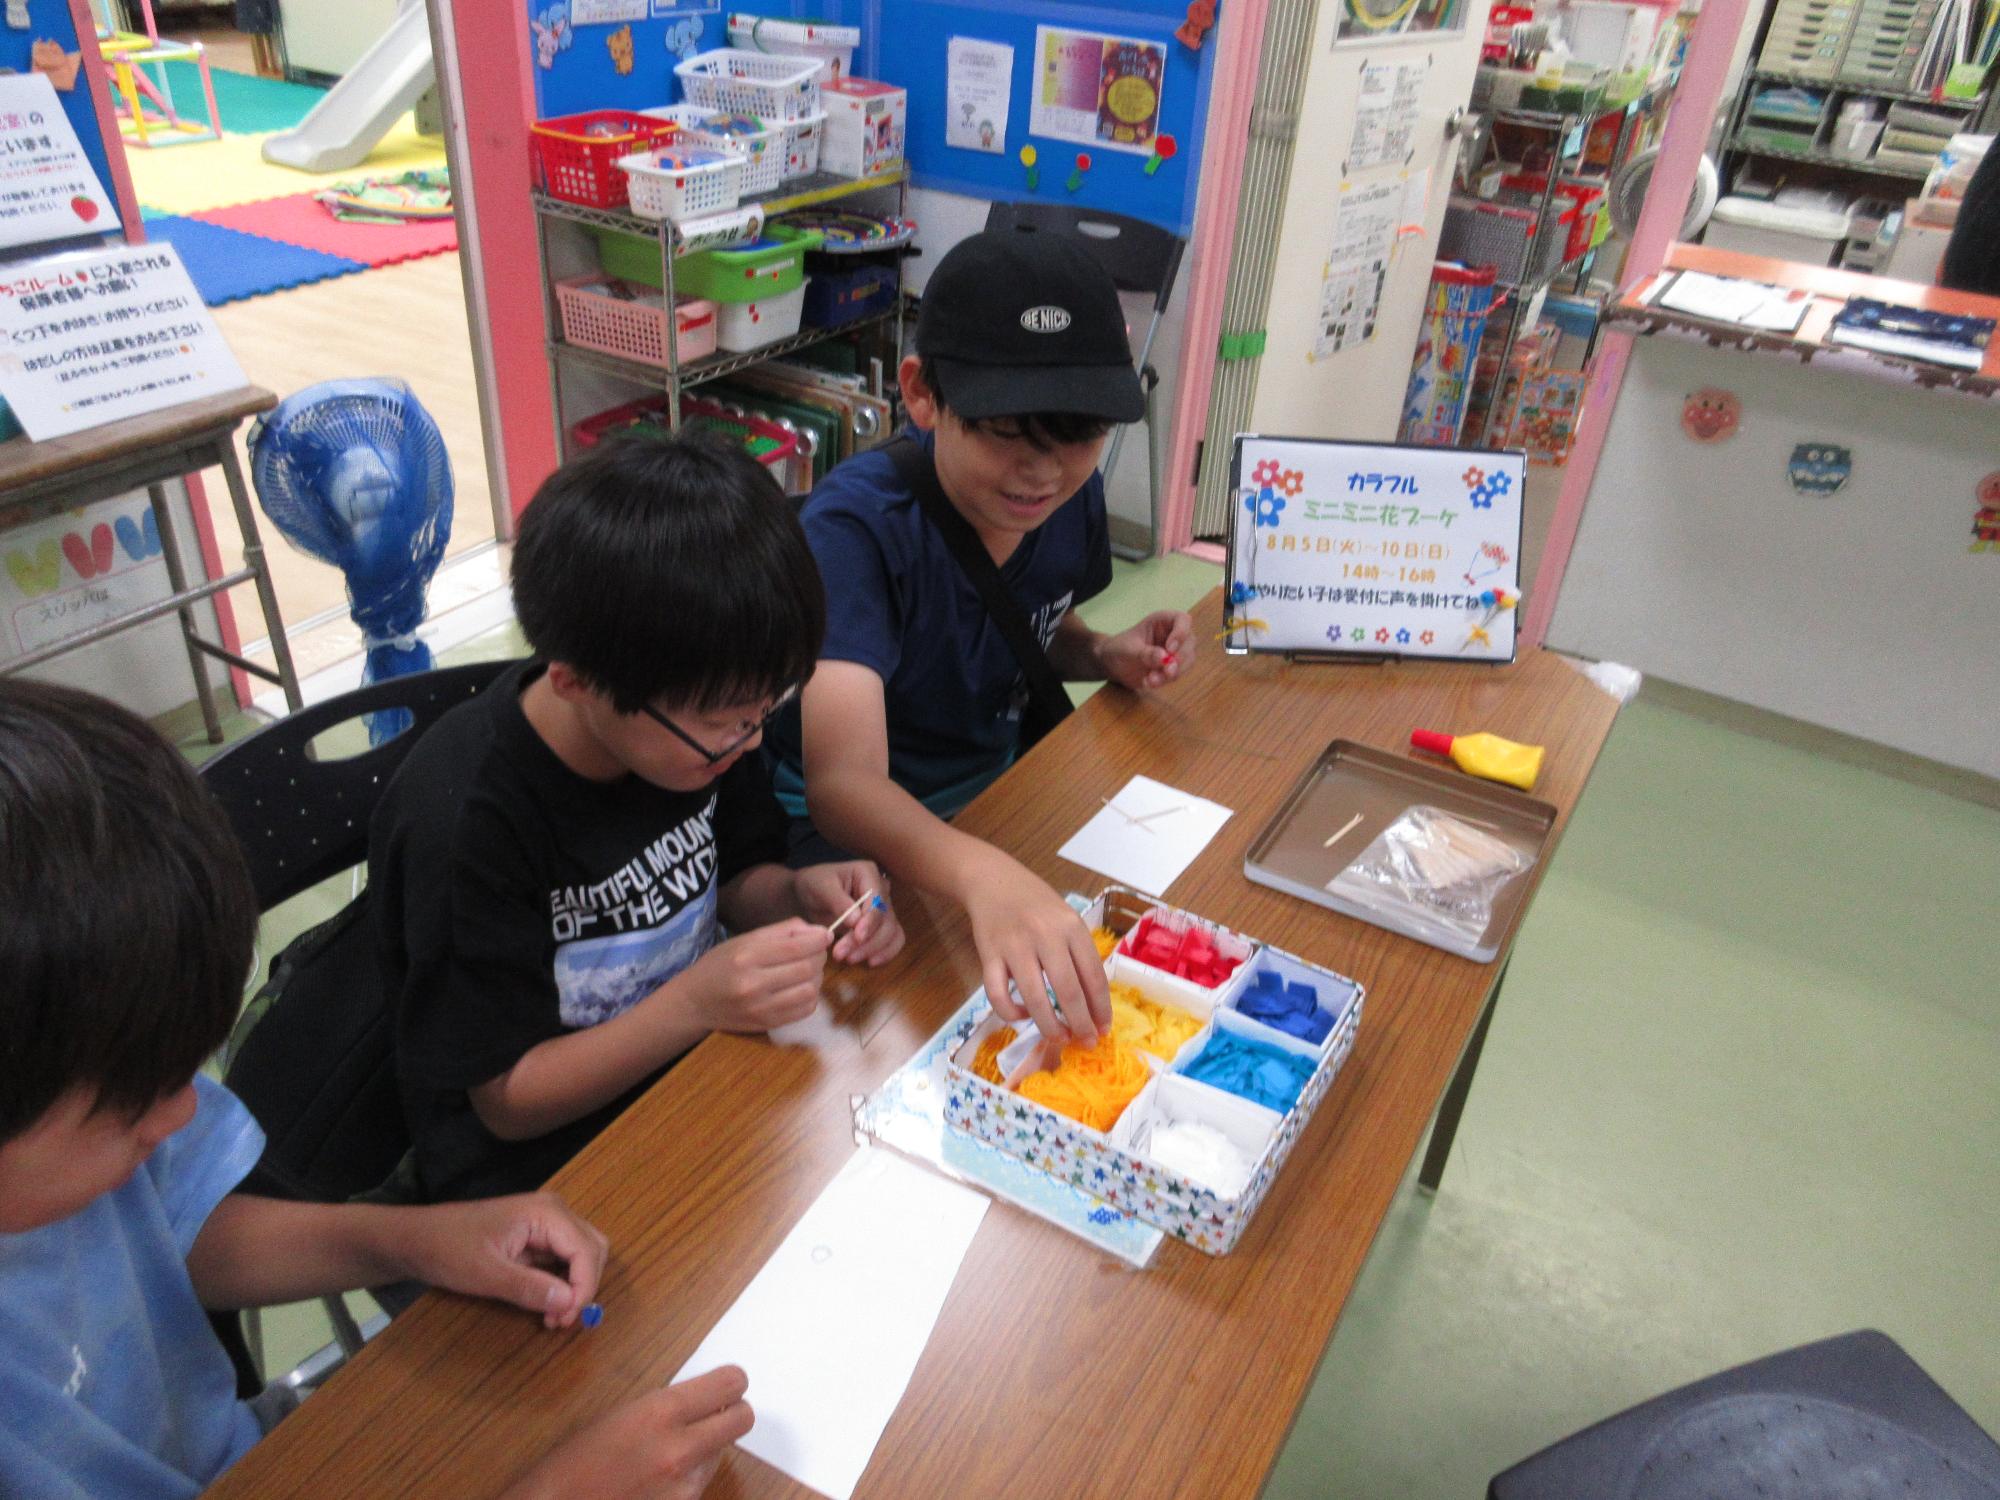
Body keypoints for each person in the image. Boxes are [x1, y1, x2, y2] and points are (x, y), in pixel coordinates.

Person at [0, 678, 753, 1500]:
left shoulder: (57, 1090)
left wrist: (409, 1239)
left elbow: (178, 1230)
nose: (184, 1111)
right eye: (131, 1105)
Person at [374, 434, 903, 1206]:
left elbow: (735, 874)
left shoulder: (697, 723)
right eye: (730, 722)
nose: (751, 740)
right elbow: (505, 1102)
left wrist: (798, 896)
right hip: (540, 1178)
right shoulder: (468, 822)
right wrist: (695, 1002)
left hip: (693, 1080)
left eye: (769, 708)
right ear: (576, 681)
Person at [764, 230, 1194, 1050]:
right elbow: (842, 786)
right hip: (854, 845)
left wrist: (1101, 653)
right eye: (1006, 432)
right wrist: (980, 873)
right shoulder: (855, 532)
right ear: (923, 395)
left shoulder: (1069, 498)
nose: (1043, 472)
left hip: (992, 800)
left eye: (1078, 436)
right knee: (889, 1040)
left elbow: (1034, 619)